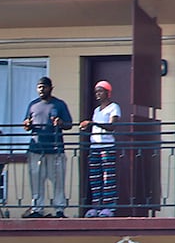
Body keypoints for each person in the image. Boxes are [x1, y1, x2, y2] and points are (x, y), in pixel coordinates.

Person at [22, 76, 72, 217]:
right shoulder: (32, 105)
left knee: (58, 181)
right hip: (36, 150)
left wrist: (61, 122)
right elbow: (26, 124)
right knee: (36, 181)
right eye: (39, 87)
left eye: (44, 87)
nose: (41, 90)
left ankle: (59, 209)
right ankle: (37, 209)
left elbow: (69, 124)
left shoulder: (59, 104)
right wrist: (27, 125)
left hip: (55, 149)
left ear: (51, 88)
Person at [79, 80, 121, 216]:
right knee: (95, 177)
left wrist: (93, 123)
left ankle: (109, 208)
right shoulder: (96, 110)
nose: (97, 94)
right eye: (96, 91)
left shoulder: (114, 107)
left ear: (108, 93)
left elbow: (112, 126)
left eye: (100, 91)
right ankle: (97, 206)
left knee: (108, 177)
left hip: (107, 146)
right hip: (94, 146)